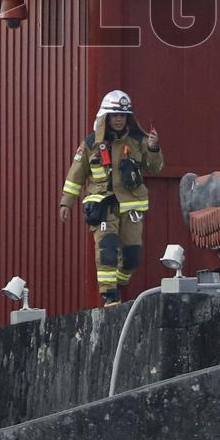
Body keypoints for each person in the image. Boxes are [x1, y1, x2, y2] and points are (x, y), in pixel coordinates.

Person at [58, 90, 163, 306]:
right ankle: (110, 296)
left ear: (128, 118)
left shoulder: (137, 141)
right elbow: (75, 175)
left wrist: (153, 148)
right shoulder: (90, 144)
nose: (118, 119)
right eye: (114, 115)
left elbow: (155, 167)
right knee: (107, 248)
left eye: (122, 115)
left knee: (132, 256)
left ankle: (118, 284)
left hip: (131, 208)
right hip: (103, 206)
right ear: (105, 116)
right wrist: (66, 202)